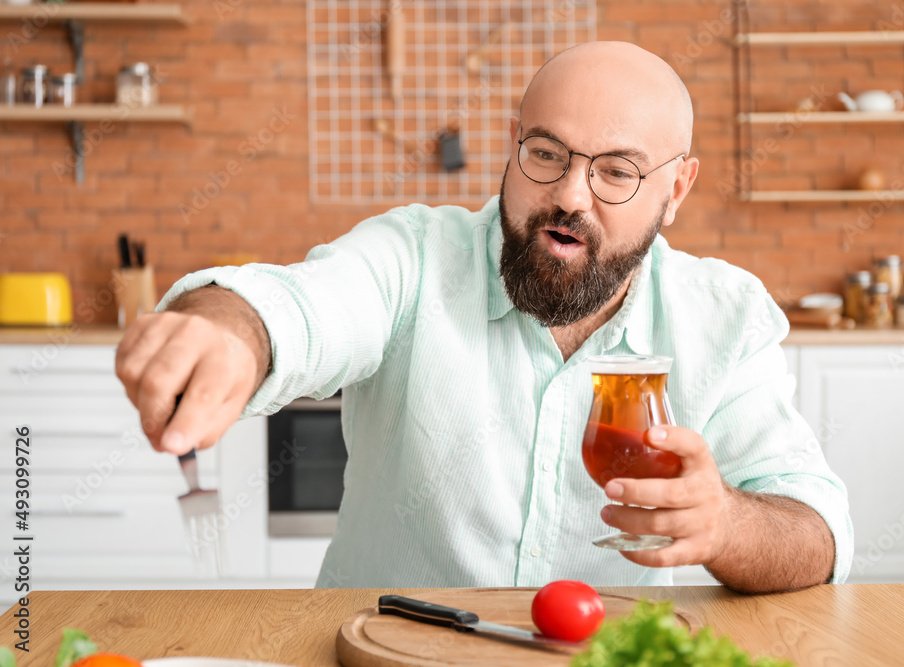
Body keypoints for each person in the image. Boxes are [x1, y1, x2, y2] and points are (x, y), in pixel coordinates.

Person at [116, 41, 852, 592]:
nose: (570, 195)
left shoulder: (725, 317)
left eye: (617, 172)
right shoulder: (414, 257)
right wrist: (229, 329)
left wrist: (725, 520)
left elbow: (816, 532)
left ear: (677, 187)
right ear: (513, 142)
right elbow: (300, 305)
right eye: (545, 152)